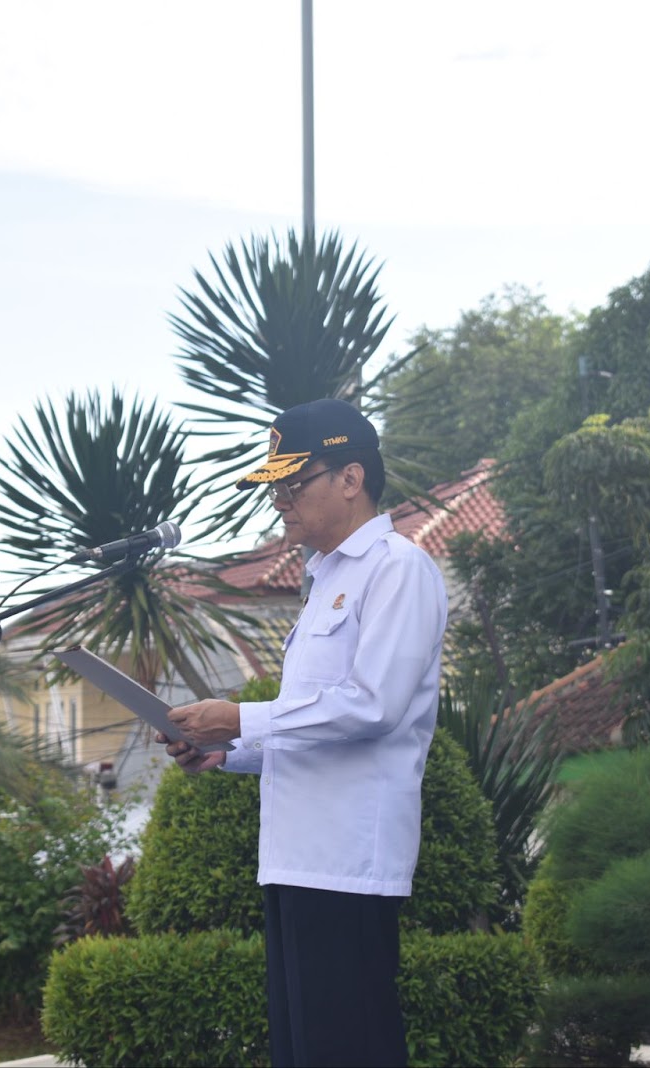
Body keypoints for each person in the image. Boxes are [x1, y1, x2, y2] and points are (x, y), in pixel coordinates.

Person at [160, 397, 448, 1068]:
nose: (280, 502)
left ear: (351, 478)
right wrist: (228, 752)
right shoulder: (325, 582)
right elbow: (316, 730)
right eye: (277, 488)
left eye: (294, 484)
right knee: (304, 1051)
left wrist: (239, 717)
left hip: (348, 863)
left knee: (351, 1050)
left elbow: (371, 707)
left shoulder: (397, 569)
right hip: (296, 856)